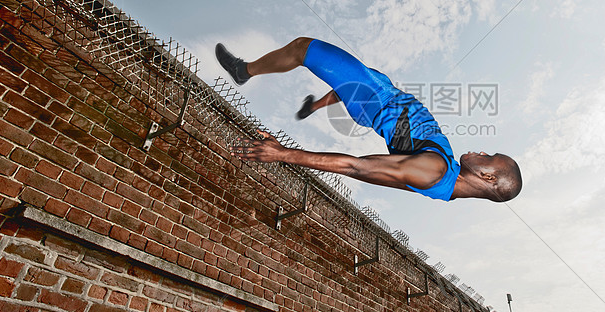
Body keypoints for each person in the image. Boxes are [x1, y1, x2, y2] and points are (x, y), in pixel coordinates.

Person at [217, 38, 521, 202]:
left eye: (490, 157)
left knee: (303, 48)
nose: (483, 151)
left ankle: (245, 71)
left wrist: (283, 154)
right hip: (379, 102)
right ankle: (316, 105)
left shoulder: (435, 171)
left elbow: (356, 166)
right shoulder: (446, 182)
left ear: (489, 178)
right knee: (357, 78)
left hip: (376, 100)